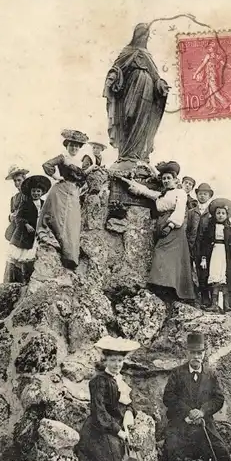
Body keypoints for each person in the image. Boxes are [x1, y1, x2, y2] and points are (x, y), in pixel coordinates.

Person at [160, 332, 231, 461]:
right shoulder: (177, 373)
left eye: (199, 353)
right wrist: (188, 411)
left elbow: (218, 399)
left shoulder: (211, 374)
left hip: (205, 423)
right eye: (193, 353)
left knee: (222, 452)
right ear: (187, 353)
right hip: (180, 422)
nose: (196, 357)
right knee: (171, 455)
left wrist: (202, 411)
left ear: (204, 354)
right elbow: (168, 397)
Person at [125, 161, 195, 303]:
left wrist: (170, 226)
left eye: (169, 178)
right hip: (161, 225)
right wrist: (128, 181)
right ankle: (164, 288)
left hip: (173, 228)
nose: (166, 181)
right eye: (164, 178)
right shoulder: (161, 195)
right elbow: (145, 191)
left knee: (165, 255)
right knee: (164, 255)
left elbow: (180, 210)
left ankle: (167, 289)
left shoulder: (180, 193)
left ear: (175, 180)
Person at [103, 23, 169, 162]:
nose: (145, 38)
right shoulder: (127, 51)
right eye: (142, 35)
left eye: (147, 36)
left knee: (142, 121)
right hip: (131, 90)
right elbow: (117, 68)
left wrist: (161, 84)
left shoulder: (147, 55)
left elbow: (155, 75)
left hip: (147, 93)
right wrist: (112, 77)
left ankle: (137, 153)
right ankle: (126, 153)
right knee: (129, 117)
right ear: (136, 36)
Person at [77, 335, 143, 461]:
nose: (117, 364)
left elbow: (129, 403)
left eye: (120, 360)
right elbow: (99, 411)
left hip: (117, 427)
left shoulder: (120, 380)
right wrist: (119, 432)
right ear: (105, 360)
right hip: (99, 429)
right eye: (113, 360)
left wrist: (129, 412)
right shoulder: (99, 381)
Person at [37, 130, 88, 270]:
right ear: (67, 146)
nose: (74, 148)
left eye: (77, 146)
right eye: (72, 145)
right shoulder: (63, 157)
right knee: (60, 220)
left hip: (73, 194)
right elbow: (47, 165)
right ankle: (61, 252)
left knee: (72, 223)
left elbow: (82, 180)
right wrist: (56, 177)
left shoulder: (80, 161)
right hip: (61, 190)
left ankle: (71, 257)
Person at [6, 175, 51, 284]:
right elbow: (18, 218)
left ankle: (33, 279)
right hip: (25, 235)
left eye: (38, 191)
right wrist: (26, 224)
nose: (36, 193)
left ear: (42, 192)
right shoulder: (25, 203)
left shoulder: (44, 204)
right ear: (31, 192)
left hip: (38, 233)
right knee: (24, 257)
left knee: (35, 256)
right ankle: (22, 280)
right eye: (34, 191)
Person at [200, 198, 231, 313]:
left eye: (223, 213)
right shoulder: (210, 229)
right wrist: (204, 258)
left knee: (225, 277)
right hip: (214, 253)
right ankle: (214, 304)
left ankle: (226, 305)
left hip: (225, 255)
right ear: (215, 215)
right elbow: (205, 244)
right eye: (218, 213)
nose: (220, 215)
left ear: (227, 215)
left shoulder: (230, 231)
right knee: (214, 275)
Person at [186, 183, 214, 308]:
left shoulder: (211, 213)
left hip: (205, 248)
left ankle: (205, 298)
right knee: (189, 270)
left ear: (209, 196)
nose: (202, 196)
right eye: (200, 193)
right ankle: (189, 297)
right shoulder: (192, 212)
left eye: (205, 194)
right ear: (196, 195)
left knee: (203, 272)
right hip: (191, 245)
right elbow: (187, 228)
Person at [3, 165, 30, 281]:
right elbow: (11, 214)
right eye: (15, 181)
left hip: (28, 231)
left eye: (19, 180)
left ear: (24, 179)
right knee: (12, 260)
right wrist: (11, 216)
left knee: (25, 258)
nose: (17, 183)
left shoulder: (31, 194)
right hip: (16, 231)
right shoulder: (14, 198)